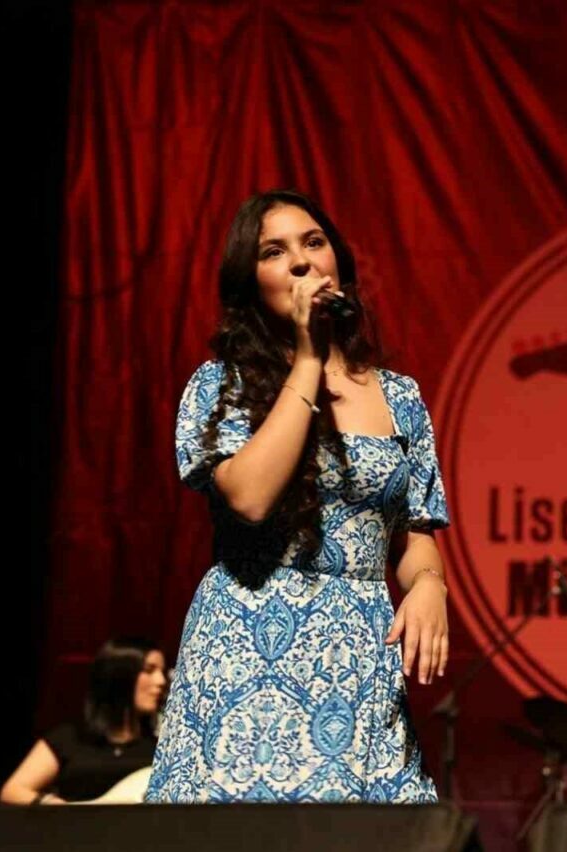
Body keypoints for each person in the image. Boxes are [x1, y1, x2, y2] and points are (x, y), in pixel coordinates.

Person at [145, 190, 450, 803]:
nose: (303, 261)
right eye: (274, 252)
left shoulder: (401, 397)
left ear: (338, 261)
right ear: (250, 282)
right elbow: (251, 498)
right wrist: (309, 359)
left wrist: (428, 585)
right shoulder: (222, 384)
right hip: (246, 640)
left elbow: (412, 536)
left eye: (314, 242)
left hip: (358, 652)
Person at [0, 636, 167, 804]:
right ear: (119, 675)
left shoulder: (160, 745)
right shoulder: (69, 738)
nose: (161, 681)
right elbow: (13, 790)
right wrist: (55, 806)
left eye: (162, 671)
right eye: (149, 670)